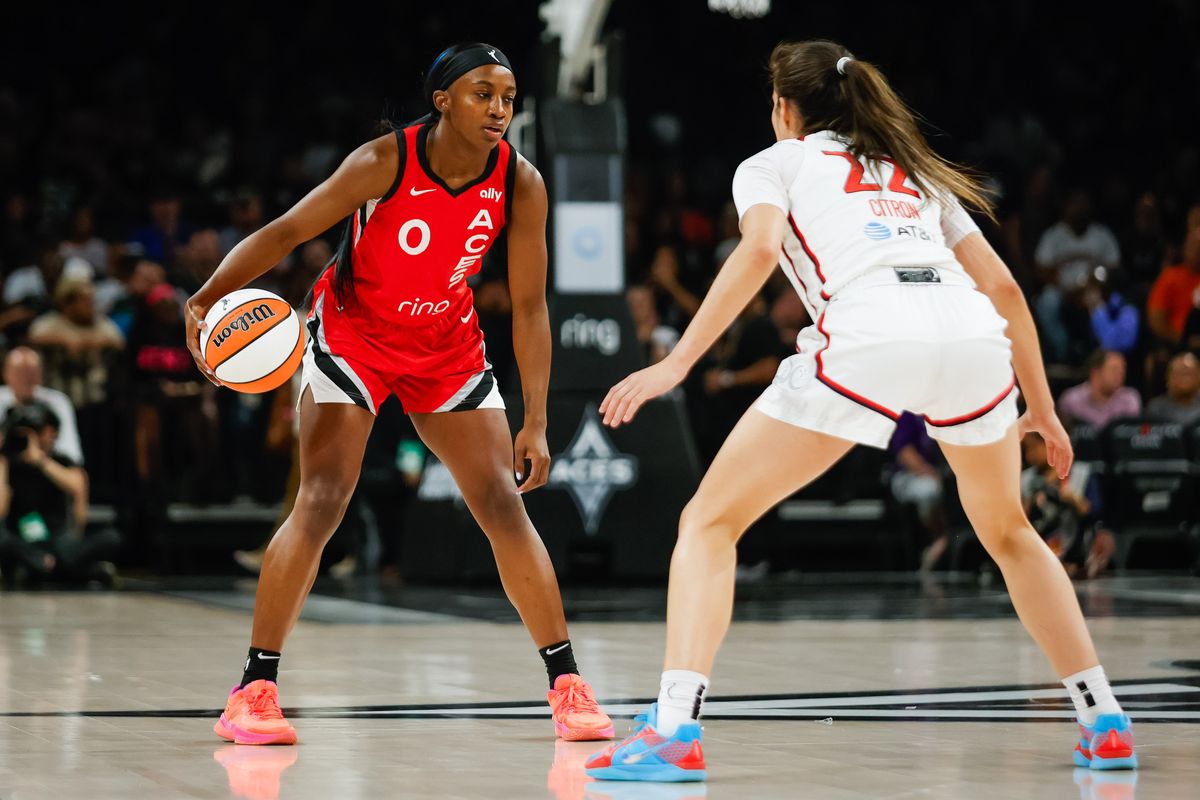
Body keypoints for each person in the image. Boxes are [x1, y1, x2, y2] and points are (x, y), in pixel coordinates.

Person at [586, 40, 1136, 782]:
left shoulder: (774, 163)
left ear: (783, 107)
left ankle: (674, 729)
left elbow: (757, 252)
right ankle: (1104, 718)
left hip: (872, 333)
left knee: (709, 523)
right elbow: (1006, 290)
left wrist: (676, 362)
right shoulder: (913, 169)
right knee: (1010, 532)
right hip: (971, 336)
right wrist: (1043, 408)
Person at [185, 43, 612, 746]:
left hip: (445, 346)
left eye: (508, 97)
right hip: (354, 336)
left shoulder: (521, 181)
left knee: (502, 505)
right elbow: (288, 231)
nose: (499, 109)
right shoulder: (384, 161)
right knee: (322, 500)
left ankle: (567, 686)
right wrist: (205, 298)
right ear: (442, 100)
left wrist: (535, 419)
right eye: (482, 93)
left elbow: (531, 307)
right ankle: (253, 692)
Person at [0, 401, 119, 585]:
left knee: (109, 538)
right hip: (22, 539)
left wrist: (41, 460)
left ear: (51, 432)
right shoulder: (8, 464)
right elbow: (1, 510)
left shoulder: (62, 461)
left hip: (58, 539)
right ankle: (75, 571)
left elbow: (77, 486)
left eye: (34, 432)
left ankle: (45, 568)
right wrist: (3, 459)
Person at [0, 346, 83, 465]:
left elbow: (72, 455)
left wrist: (42, 453)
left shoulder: (57, 402)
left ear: (41, 375)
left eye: (32, 373)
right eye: (19, 373)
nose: (26, 379)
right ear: (6, 374)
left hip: (45, 466)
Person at [1057, 350, 1141, 428]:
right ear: (1095, 373)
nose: (1120, 375)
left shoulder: (1129, 400)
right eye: (1114, 369)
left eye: (1122, 370)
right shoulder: (1071, 400)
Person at [1144, 352, 1200, 424]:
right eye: (1180, 373)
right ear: (1168, 377)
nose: (1184, 379)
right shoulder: (1156, 408)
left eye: (1188, 373)